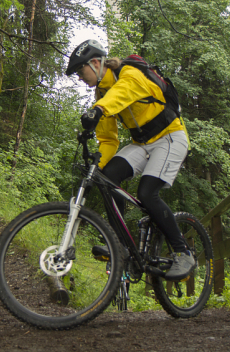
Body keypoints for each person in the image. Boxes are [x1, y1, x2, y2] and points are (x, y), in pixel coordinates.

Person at [66, 39, 193, 280]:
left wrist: (99, 109)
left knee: (147, 193)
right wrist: (96, 169)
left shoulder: (129, 73)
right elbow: (109, 140)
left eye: (80, 71)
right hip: (142, 144)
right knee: (108, 178)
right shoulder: (102, 93)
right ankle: (120, 246)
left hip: (170, 137)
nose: (80, 77)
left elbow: (123, 93)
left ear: (95, 63)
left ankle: (182, 252)